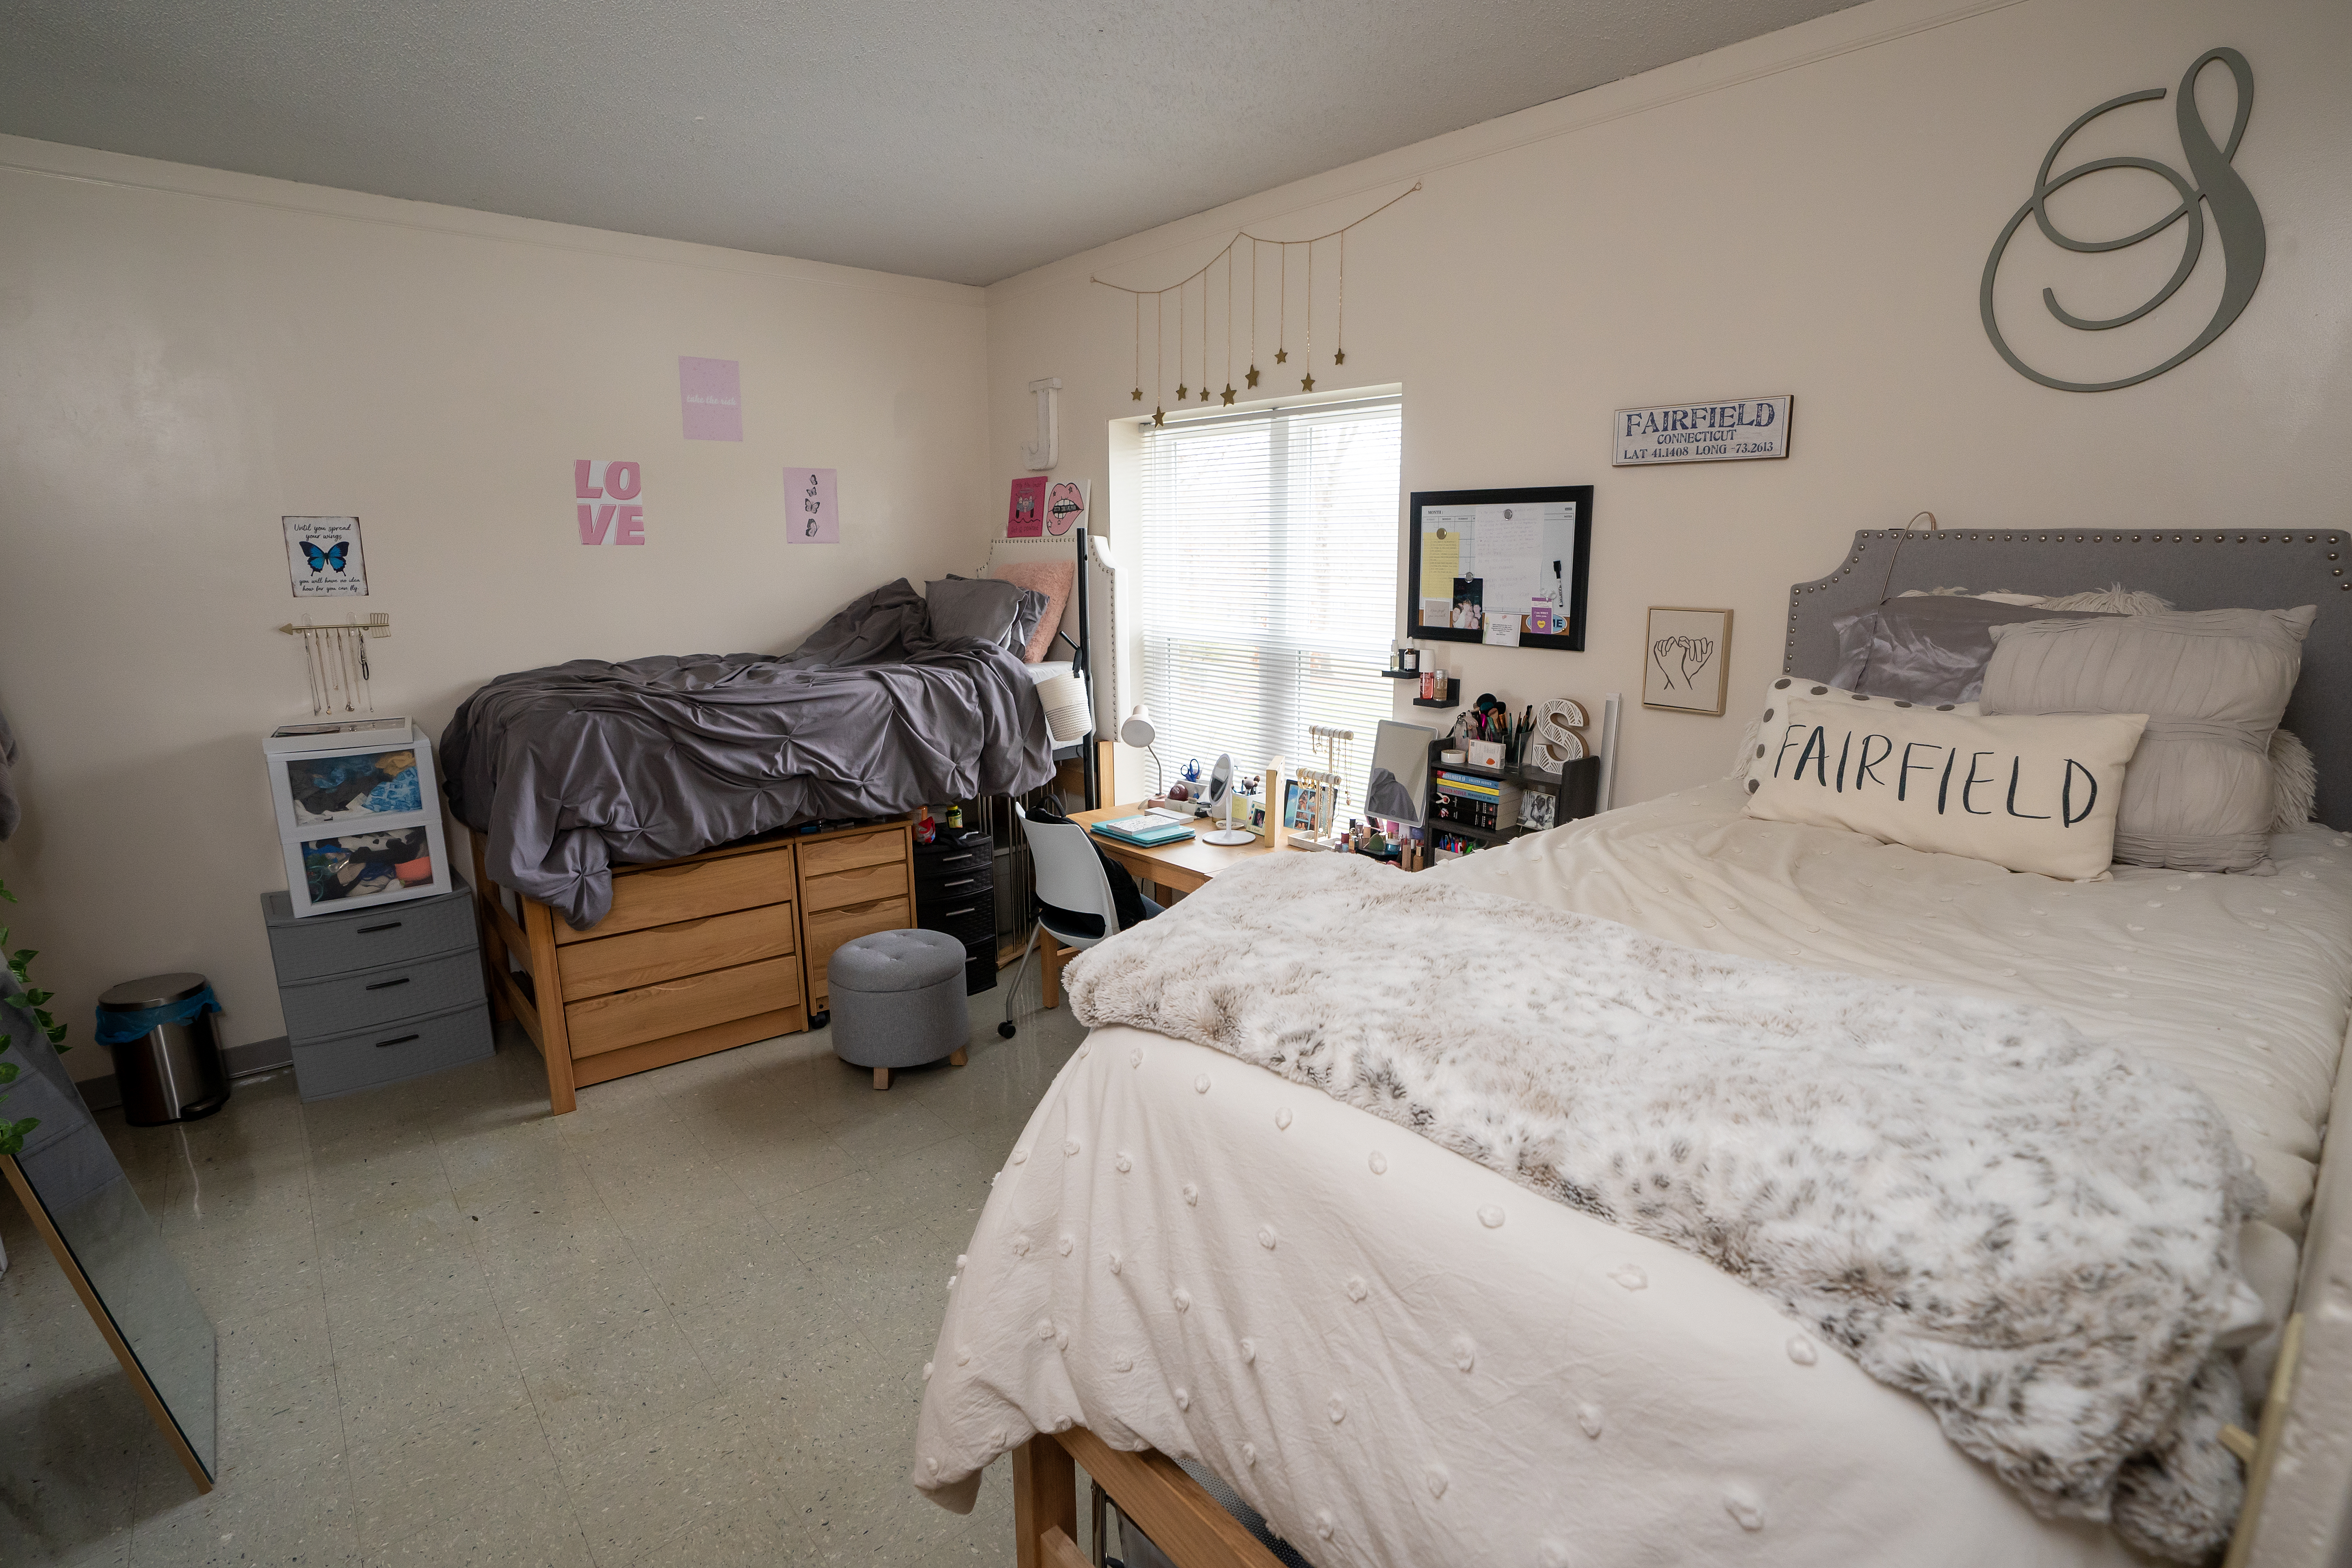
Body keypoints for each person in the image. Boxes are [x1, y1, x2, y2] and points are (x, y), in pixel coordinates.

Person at [1025, 796, 1163, 936]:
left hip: (1058, 913)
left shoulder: (1048, 827)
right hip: (1105, 925)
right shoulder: (1073, 833)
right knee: (1173, 917)